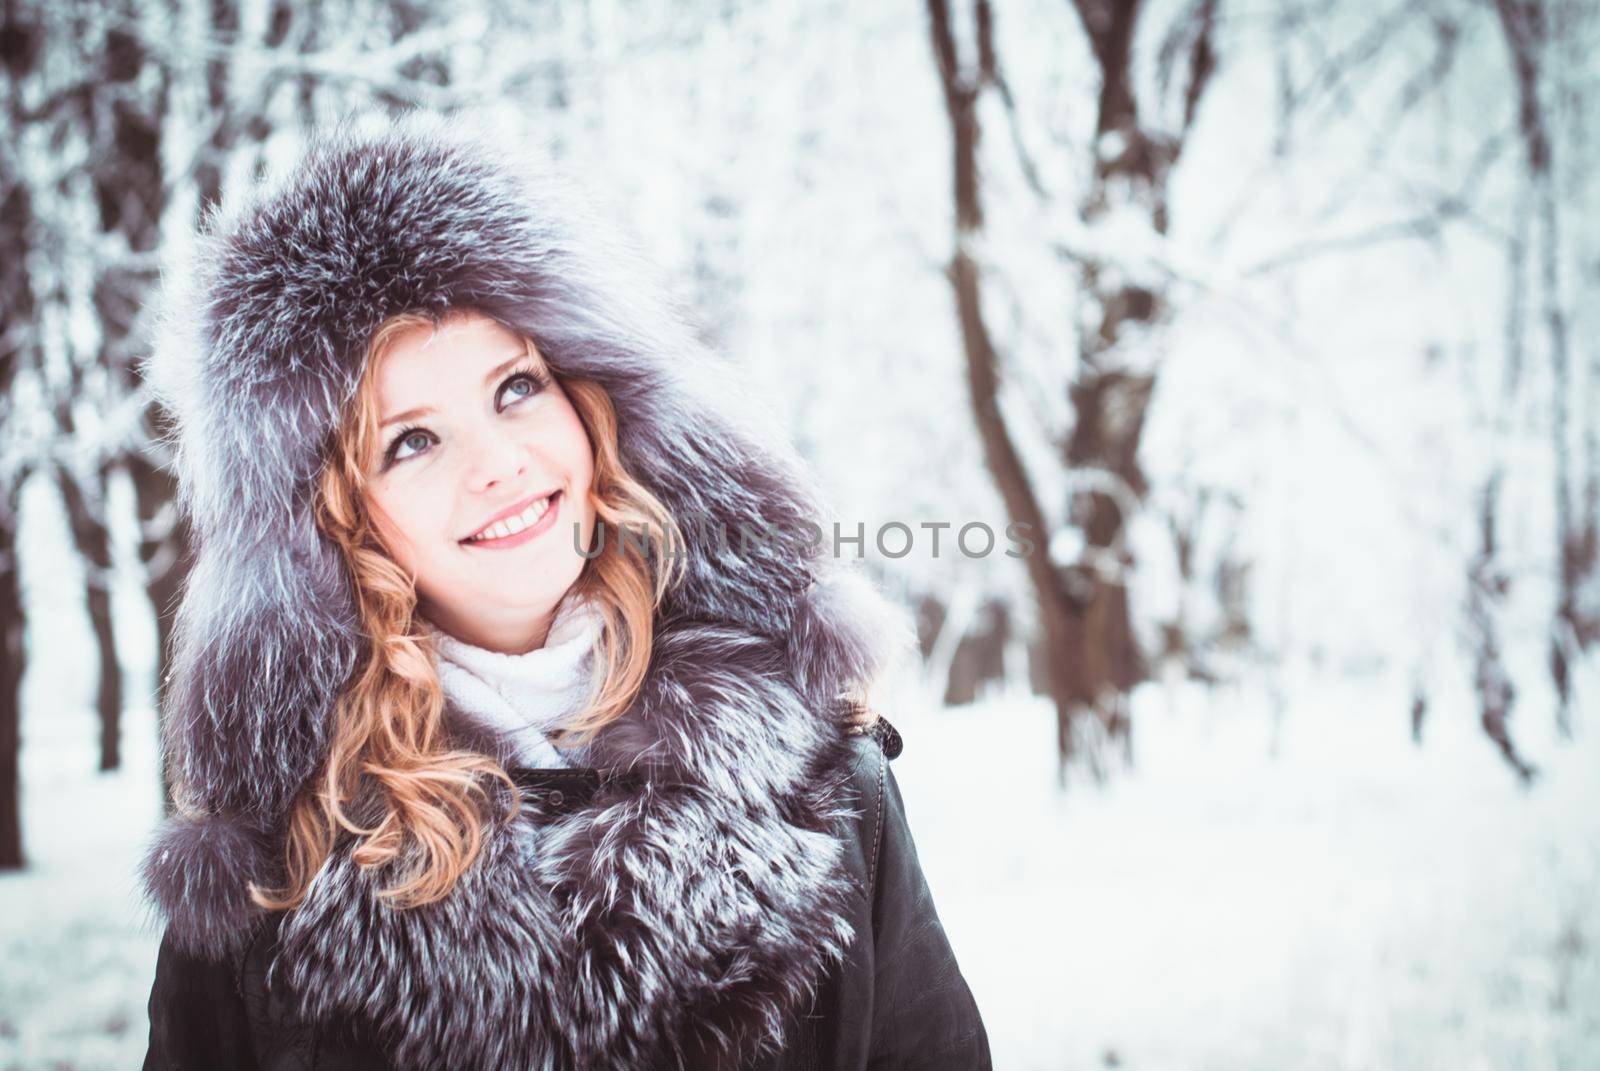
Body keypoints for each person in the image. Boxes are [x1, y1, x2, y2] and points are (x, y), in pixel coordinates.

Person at [137, 111, 990, 1071]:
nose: (499, 462)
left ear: (596, 403)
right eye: (410, 440)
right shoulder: (267, 876)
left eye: (515, 388)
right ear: (336, 519)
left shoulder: (825, 783)